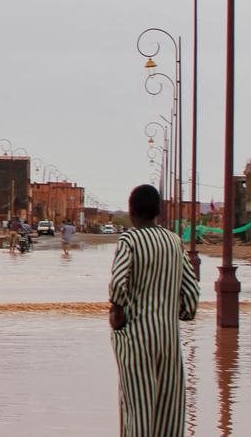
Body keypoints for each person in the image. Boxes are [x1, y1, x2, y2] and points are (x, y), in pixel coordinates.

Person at [109, 184, 199, 436]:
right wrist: (179, 313)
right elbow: (191, 293)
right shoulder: (174, 241)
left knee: (137, 408)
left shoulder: (130, 240)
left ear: (131, 212)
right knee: (169, 410)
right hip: (168, 339)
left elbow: (118, 282)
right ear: (158, 211)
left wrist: (117, 314)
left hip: (136, 338)